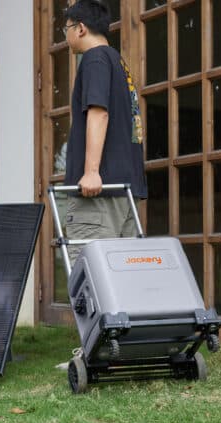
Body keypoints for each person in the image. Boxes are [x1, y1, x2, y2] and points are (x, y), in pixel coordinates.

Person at [62, 0, 147, 263]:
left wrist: (91, 172)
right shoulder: (117, 63)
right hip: (124, 193)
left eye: (65, 28)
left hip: (98, 197)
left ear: (81, 29)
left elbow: (99, 112)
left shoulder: (94, 59)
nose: (65, 35)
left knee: (91, 284)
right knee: (121, 284)